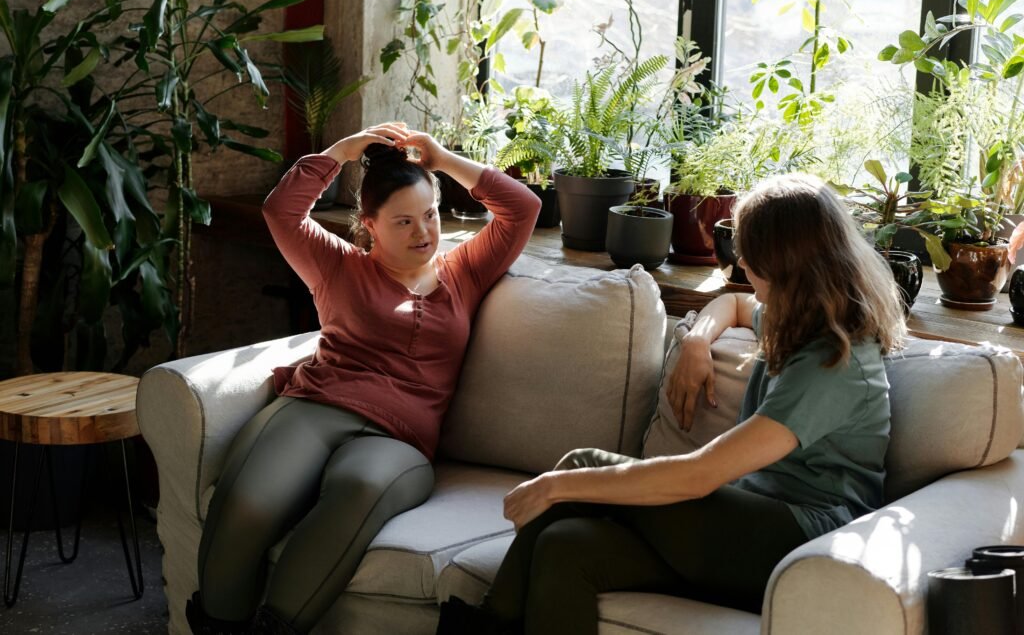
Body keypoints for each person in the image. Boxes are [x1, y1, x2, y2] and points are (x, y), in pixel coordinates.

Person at [436, 173, 907, 635]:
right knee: (567, 548)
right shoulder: (800, 317)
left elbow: (701, 474)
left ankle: (480, 625)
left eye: (747, 253)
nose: (740, 264)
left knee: (579, 468)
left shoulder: (832, 363)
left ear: (782, 262)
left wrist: (558, 486)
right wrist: (698, 341)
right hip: (748, 526)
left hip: (801, 540)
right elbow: (737, 307)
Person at [185, 122, 542, 635]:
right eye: (403, 222)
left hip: (400, 437)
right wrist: (341, 151)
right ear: (369, 225)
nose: (423, 233)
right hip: (315, 406)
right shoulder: (337, 265)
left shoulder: (465, 272)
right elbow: (280, 211)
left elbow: (522, 207)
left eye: (430, 215)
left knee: (360, 487)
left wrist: (441, 159)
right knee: (248, 501)